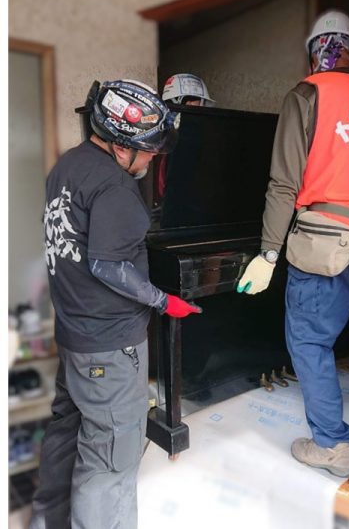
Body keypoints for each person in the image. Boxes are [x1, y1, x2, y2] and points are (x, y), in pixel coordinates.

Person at [30, 80, 201, 529]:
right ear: (121, 146)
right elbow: (108, 266)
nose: (151, 159)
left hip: (74, 336)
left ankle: (47, 520)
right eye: (148, 151)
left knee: (67, 434)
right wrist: (163, 301)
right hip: (109, 348)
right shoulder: (115, 187)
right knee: (110, 461)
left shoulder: (67, 165)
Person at [236, 8, 349, 478]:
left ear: (314, 54)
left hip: (324, 241)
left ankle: (333, 445)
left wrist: (268, 253)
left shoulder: (307, 94)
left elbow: (283, 184)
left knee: (310, 342)